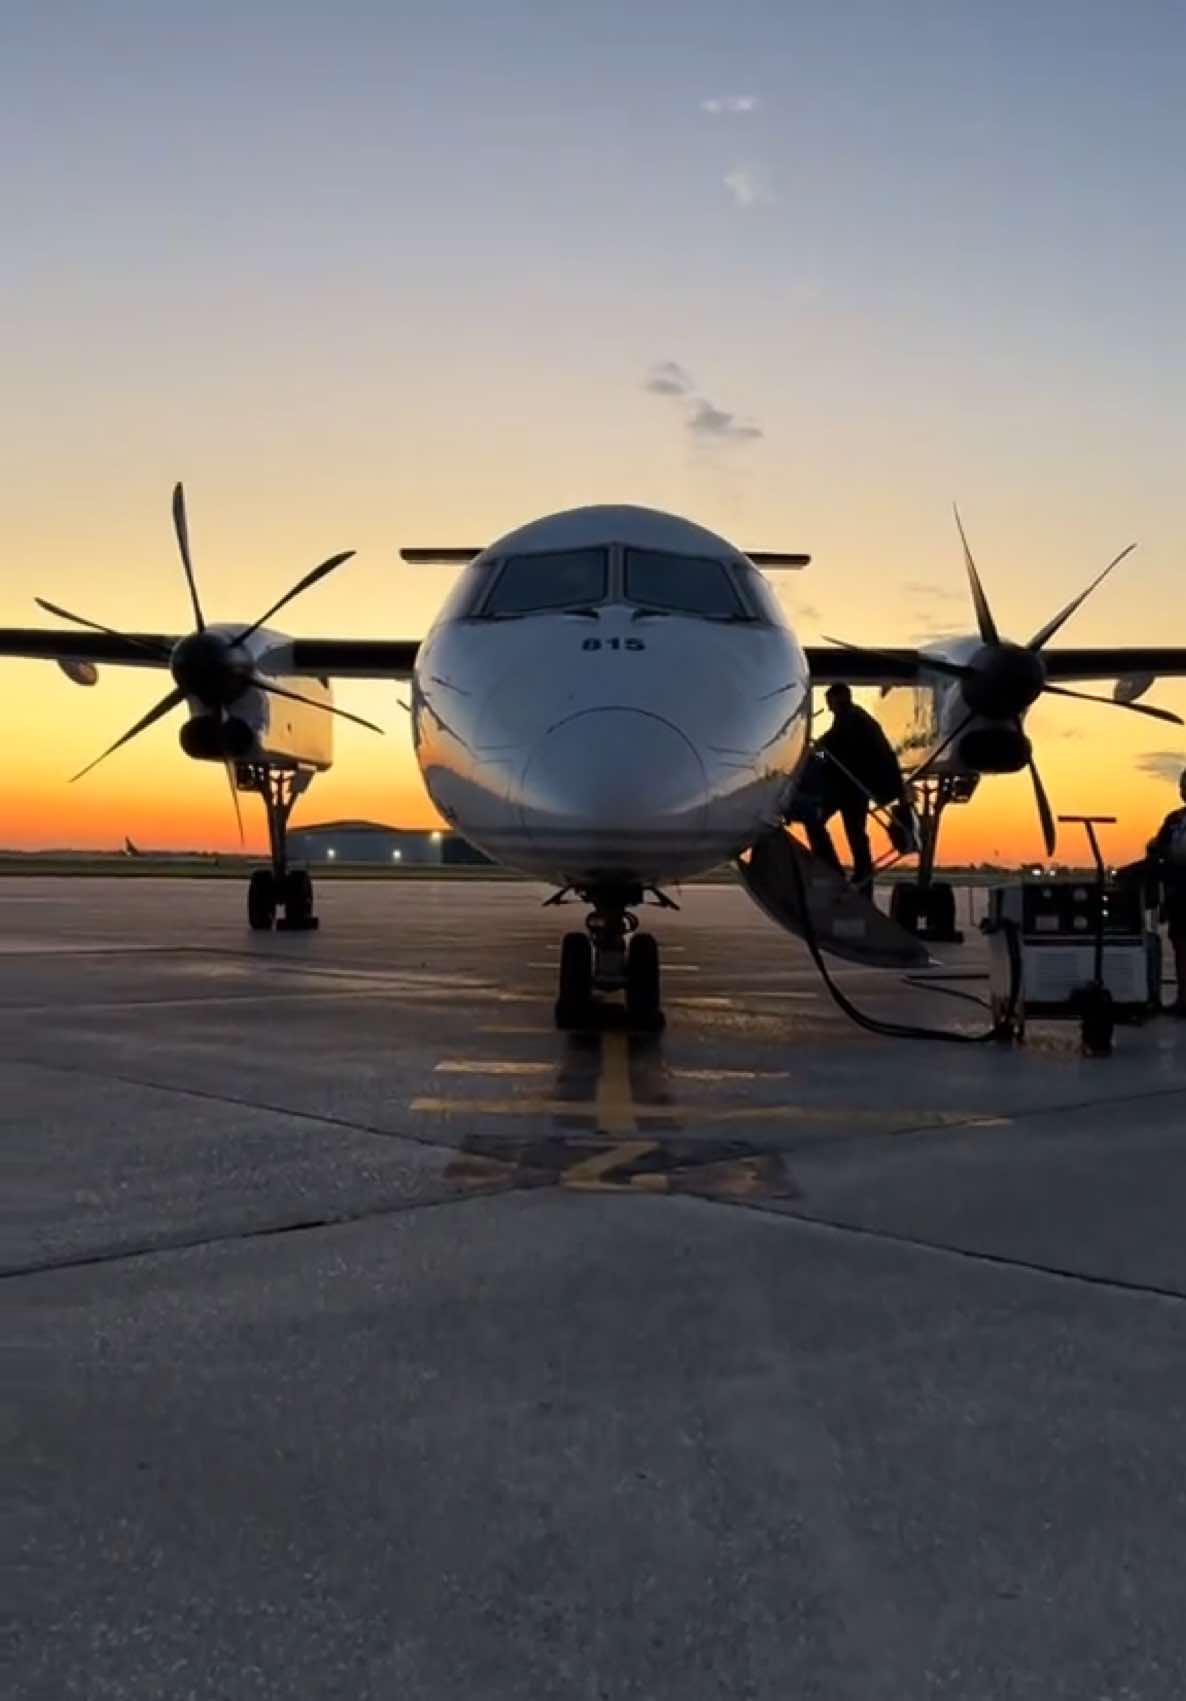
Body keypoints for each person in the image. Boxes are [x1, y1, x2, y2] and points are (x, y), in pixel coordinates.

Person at [804, 683, 906, 886]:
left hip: (850, 788)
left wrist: (814, 753)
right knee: (855, 833)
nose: (829, 706)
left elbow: (831, 749)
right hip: (854, 787)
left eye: (830, 701)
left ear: (839, 698)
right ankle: (861, 874)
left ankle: (836, 869)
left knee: (816, 820)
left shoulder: (850, 721)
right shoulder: (855, 719)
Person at [1146, 767, 1186, 1016]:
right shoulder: (1174, 820)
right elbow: (1158, 848)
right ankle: (1184, 998)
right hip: (1179, 894)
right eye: (1183, 787)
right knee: (1180, 944)